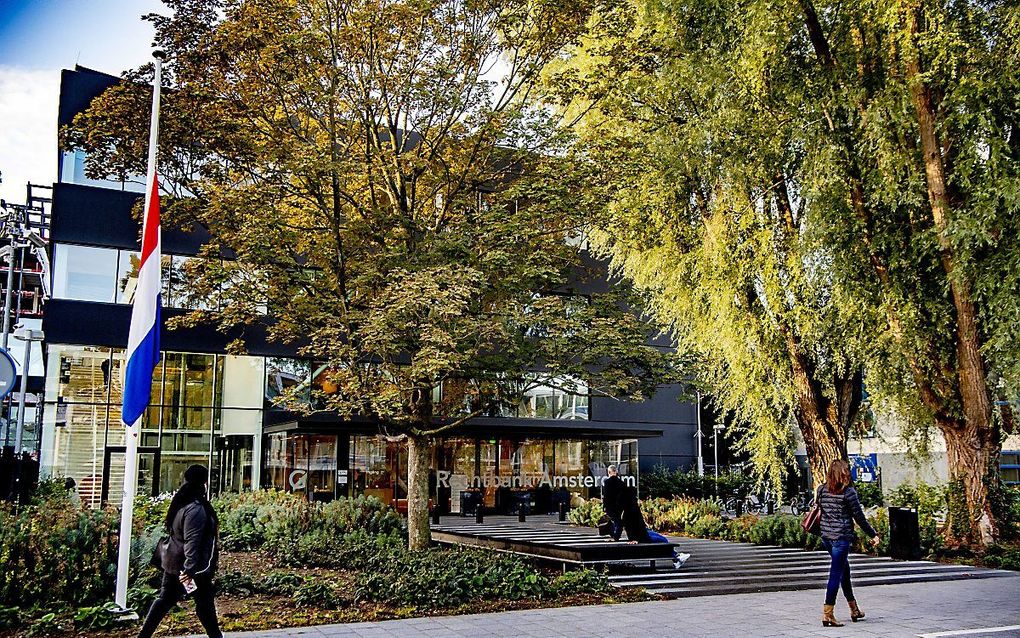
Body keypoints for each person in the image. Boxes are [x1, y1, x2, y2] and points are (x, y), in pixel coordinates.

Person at [138, 465, 222, 638]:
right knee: (204, 603)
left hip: (174, 563)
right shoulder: (196, 508)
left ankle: (143, 636)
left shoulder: (181, 503)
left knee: (166, 600)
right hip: (191, 568)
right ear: (204, 482)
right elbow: (193, 541)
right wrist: (189, 570)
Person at [817, 459, 881, 628]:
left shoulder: (822, 490)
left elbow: (820, 510)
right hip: (841, 538)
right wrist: (873, 534)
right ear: (843, 473)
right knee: (835, 574)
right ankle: (827, 614)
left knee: (844, 570)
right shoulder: (848, 492)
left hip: (826, 537)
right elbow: (859, 517)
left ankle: (854, 610)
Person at [621, 485, 691, 569]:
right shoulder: (632, 509)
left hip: (642, 533)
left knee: (660, 538)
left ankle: (677, 557)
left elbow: (631, 525)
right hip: (642, 536)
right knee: (662, 540)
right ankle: (676, 557)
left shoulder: (629, 508)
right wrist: (634, 538)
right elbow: (632, 526)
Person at [601, 464, 626, 541]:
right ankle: (616, 535)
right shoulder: (621, 482)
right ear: (616, 472)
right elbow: (624, 494)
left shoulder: (607, 482)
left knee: (613, 520)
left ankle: (615, 536)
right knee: (617, 519)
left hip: (610, 505)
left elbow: (606, 495)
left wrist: (604, 506)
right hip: (619, 505)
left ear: (609, 472)